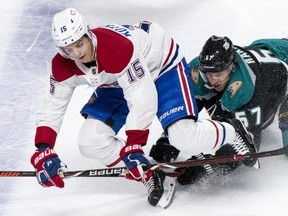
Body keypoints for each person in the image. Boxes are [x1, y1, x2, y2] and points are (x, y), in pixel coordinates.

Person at [30, 8, 257, 208]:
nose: (77, 53)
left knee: (183, 137)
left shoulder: (116, 48)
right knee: (90, 142)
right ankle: (149, 172)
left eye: (79, 44)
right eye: (68, 49)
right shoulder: (61, 65)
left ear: (88, 33)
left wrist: (134, 144)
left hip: (162, 66)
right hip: (117, 80)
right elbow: (53, 105)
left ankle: (231, 131)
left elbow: (143, 97)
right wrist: (43, 148)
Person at [150, 35, 288, 185]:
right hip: (272, 48)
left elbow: (247, 145)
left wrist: (204, 166)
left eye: (219, 74)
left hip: (278, 71)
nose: (213, 80)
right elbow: (188, 105)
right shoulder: (201, 70)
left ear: (232, 67)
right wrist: (169, 138)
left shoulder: (247, 89)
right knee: (211, 101)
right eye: (209, 74)